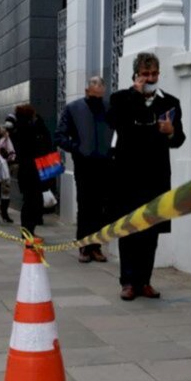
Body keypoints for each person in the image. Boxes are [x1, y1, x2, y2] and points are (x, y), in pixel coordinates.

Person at [108, 52, 186, 301]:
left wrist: (171, 132)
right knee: (129, 229)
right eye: (145, 74)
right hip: (127, 175)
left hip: (156, 176)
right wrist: (135, 94)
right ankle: (128, 281)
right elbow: (113, 121)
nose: (150, 78)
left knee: (150, 231)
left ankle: (145, 281)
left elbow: (179, 140)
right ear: (136, 75)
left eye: (154, 74)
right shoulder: (121, 98)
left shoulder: (170, 102)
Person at [56, 75, 112, 263]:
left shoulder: (108, 108)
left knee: (102, 208)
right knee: (86, 206)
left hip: (104, 165)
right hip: (84, 165)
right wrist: (76, 148)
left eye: (100, 96)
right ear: (87, 91)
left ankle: (96, 246)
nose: (97, 99)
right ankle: (84, 246)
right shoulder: (73, 109)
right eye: (94, 96)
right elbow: (60, 136)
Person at [10, 104, 54, 235]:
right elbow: (45, 145)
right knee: (32, 202)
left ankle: (29, 229)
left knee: (31, 201)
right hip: (34, 169)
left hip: (29, 170)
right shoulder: (28, 129)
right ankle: (28, 230)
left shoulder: (20, 129)